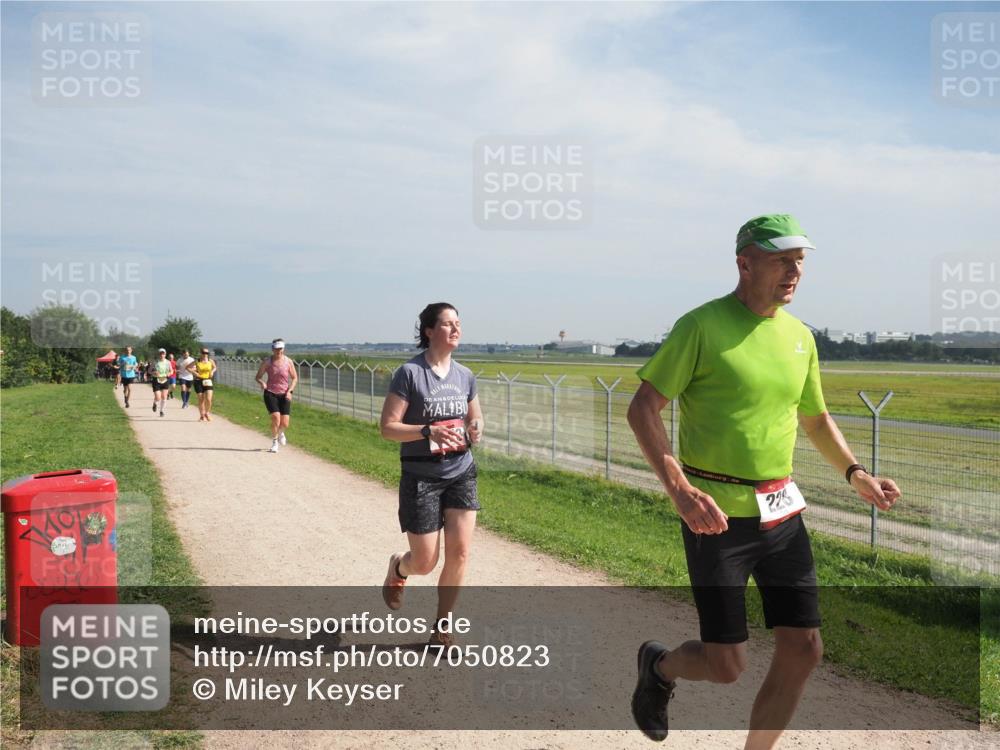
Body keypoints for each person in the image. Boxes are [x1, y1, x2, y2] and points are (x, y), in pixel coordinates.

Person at [626, 214, 902, 747]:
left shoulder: (800, 337)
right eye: (781, 260)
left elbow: (815, 418)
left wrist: (856, 474)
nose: (794, 271)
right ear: (745, 263)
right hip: (715, 518)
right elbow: (643, 408)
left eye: (799, 261)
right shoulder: (701, 326)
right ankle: (659, 667)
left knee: (805, 648)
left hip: (781, 514)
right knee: (726, 665)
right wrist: (680, 490)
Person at [378, 303, 484, 649]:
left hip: (461, 470)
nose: (456, 329)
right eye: (448, 323)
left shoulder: (465, 375)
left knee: (460, 553)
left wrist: (475, 427)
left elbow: (474, 418)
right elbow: (388, 428)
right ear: (429, 331)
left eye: (458, 323)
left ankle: (442, 628)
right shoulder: (409, 373)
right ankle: (399, 568)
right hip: (421, 475)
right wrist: (427, 431)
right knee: (425, 562)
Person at [254, 339, 298, 453]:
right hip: (270, 393)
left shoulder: (288, 362)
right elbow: (258, 377)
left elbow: (294, 378)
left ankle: (281, 433)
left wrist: (290, 391)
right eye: (276, 349)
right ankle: (274, 442)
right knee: (276, 418)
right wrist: (262, 383)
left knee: (285, 423)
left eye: (280, 349)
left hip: (285, 394)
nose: (279, 351)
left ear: (283, 349)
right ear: (272, 349)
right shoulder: (267, 362)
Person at [188, 348, 217, 422]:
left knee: (209, 399)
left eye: (207, 353)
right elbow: (187, 367)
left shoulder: (210, 361)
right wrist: (194, 373)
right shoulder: (197, 361)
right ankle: (202, 415)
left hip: (208, 380)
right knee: (201, 399)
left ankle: (207, 413)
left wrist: (212, 372)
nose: (205, 354)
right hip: (198, 381)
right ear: (201, 353)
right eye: (204, 353)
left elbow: (215, 367)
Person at [150, 348, 172, 417]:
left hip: (165, 380)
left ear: (165, 354)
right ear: (158, 354)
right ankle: (155, 403)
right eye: (160, 354)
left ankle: (161, 411)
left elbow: (171, 371)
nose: (162, 355)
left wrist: (169, 374)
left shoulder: (168, 362)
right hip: (156, 380)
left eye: (163, 354)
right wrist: (154, 372)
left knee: (164, 397)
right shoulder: (155, 362)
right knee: (158, 397)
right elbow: (149, 371)